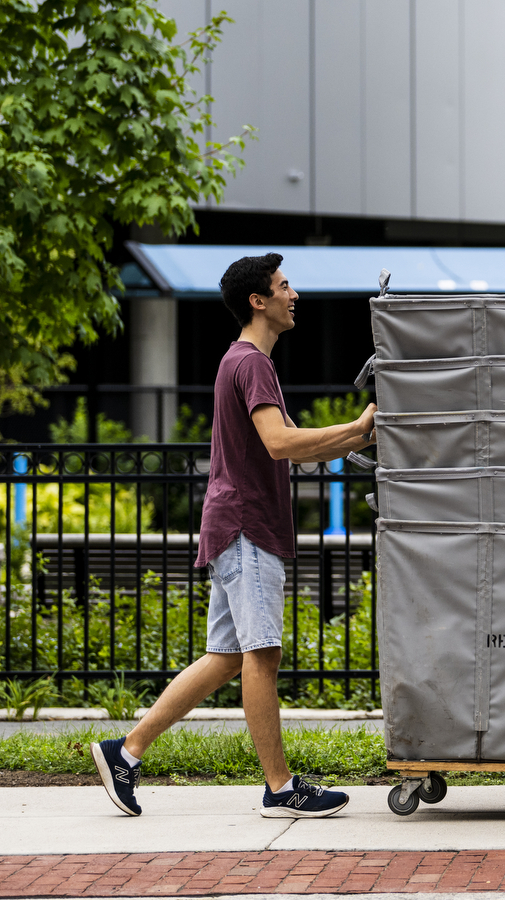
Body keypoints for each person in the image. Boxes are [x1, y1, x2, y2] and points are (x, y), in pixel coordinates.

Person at [92, 253, 377, 818]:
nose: (294, 295)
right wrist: (356, 427)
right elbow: (279, 443)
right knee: (261, 656)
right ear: (259, 300)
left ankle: (124, 752)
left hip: (236, 527)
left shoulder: (245, 363)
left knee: (224, 657)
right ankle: (279, 787)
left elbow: (296, 441)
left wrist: (358, 437)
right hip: (247, 529)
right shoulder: (251, 364)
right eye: (285, 286)